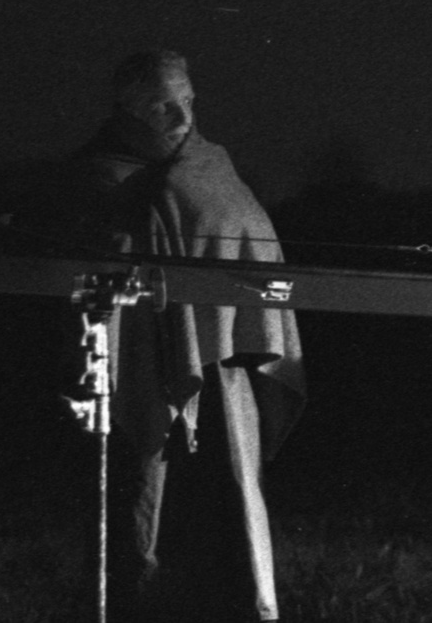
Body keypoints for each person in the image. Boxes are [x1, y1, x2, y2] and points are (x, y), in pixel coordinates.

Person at [67, 50, 306, 623]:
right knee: (142, 494)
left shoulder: (212, 167)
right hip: (139, 364)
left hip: (223, 364)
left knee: (225, 502)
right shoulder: (100, 173)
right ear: (127, 108)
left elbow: (252, 239)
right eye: (162, 105)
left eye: (188, 101)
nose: (181, 116)